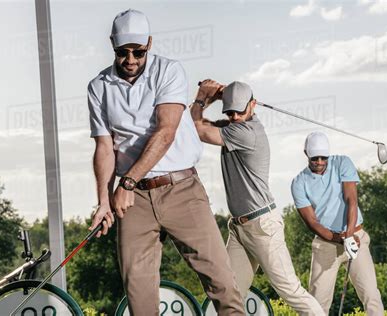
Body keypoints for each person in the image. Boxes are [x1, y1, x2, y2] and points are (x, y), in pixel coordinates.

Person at [87, 9, 245, 315]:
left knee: (222, 283)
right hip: (134, 202)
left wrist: (127, 182)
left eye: (138, 51)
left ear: (149, 43)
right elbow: (104, 147)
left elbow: (166, 131)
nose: (130, 59)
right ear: (112, 45)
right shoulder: (98, 87)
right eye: (122, 52)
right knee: (139, 295)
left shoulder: (169, 71)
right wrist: (103, 202)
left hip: (181, 189)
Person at [191, 80, 325, 316]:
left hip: (263, 226)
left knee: (290, 290)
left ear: (253, 105)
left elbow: (195, 129)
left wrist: (203, 96)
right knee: (229, 294)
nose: (235, 117)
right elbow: (201, 123)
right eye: (230, 112)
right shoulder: (235, 125)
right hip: (239, 228)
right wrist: (220, 97)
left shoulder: (247, 132)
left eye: (240, 111)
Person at [291, 131, 384, 315]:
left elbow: (351, 199)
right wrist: (340, 239)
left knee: (371, 295)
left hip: (356, 236)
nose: (319, 162)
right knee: (316, 303)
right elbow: (312, 222)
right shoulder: (299, 183)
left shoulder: (342, 162)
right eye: (314, 158)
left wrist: (349, 235)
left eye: (323, 157)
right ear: (306, 154)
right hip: (325, 244)